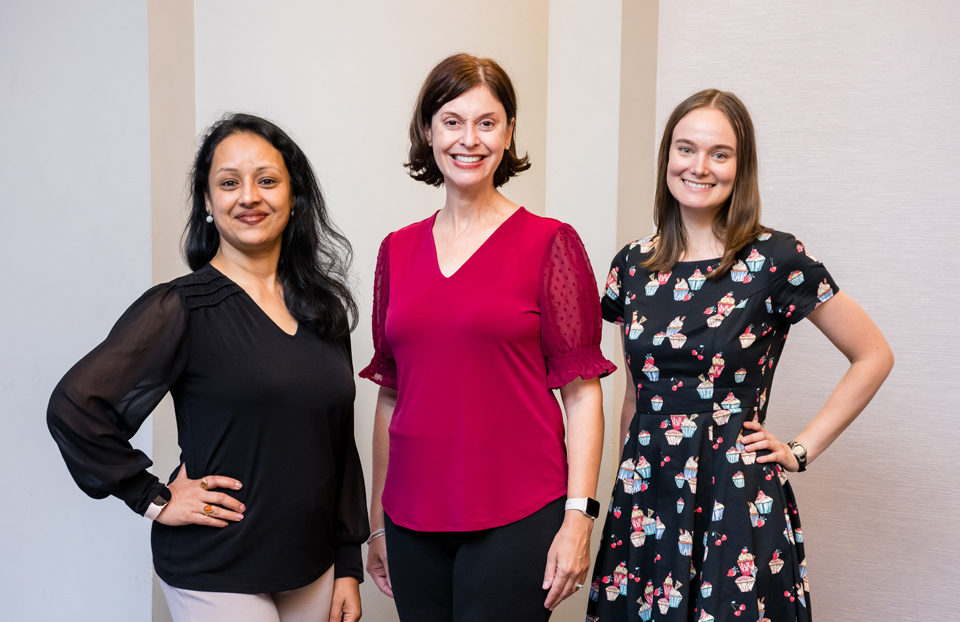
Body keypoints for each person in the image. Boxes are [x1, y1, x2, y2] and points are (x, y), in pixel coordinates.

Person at [586, 89, 893, 622]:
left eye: (719, 154)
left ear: (740, 166)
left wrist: (801, 448)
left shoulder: (776, 258)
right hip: (647, 493)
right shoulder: (631, 265)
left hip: (732, 491)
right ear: (667, 159)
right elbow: (636, 393)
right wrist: (626, 490)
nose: (699, 167)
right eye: (686, 149)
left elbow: (873, 354)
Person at [47, 113, 369, 622]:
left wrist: (348, 560)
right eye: (228, 182)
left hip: (311, 565)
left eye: (267, 180)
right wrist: (151, 496)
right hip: (214, 565)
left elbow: (338, 444)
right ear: (206, 201)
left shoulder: (321, 309)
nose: (249, 196)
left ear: (293, 195)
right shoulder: (180, 308)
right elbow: (75, 405)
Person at [360, 53, 616, 621]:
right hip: (410, 517)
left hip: (519, 512)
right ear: (427, 131)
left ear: (508, 133)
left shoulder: (551, 243)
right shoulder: (396, 250)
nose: (468, 139)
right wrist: (376, 523)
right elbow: (390, 393)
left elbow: (582, 393)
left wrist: (579, 516)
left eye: (486, 122)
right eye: (452, 121)